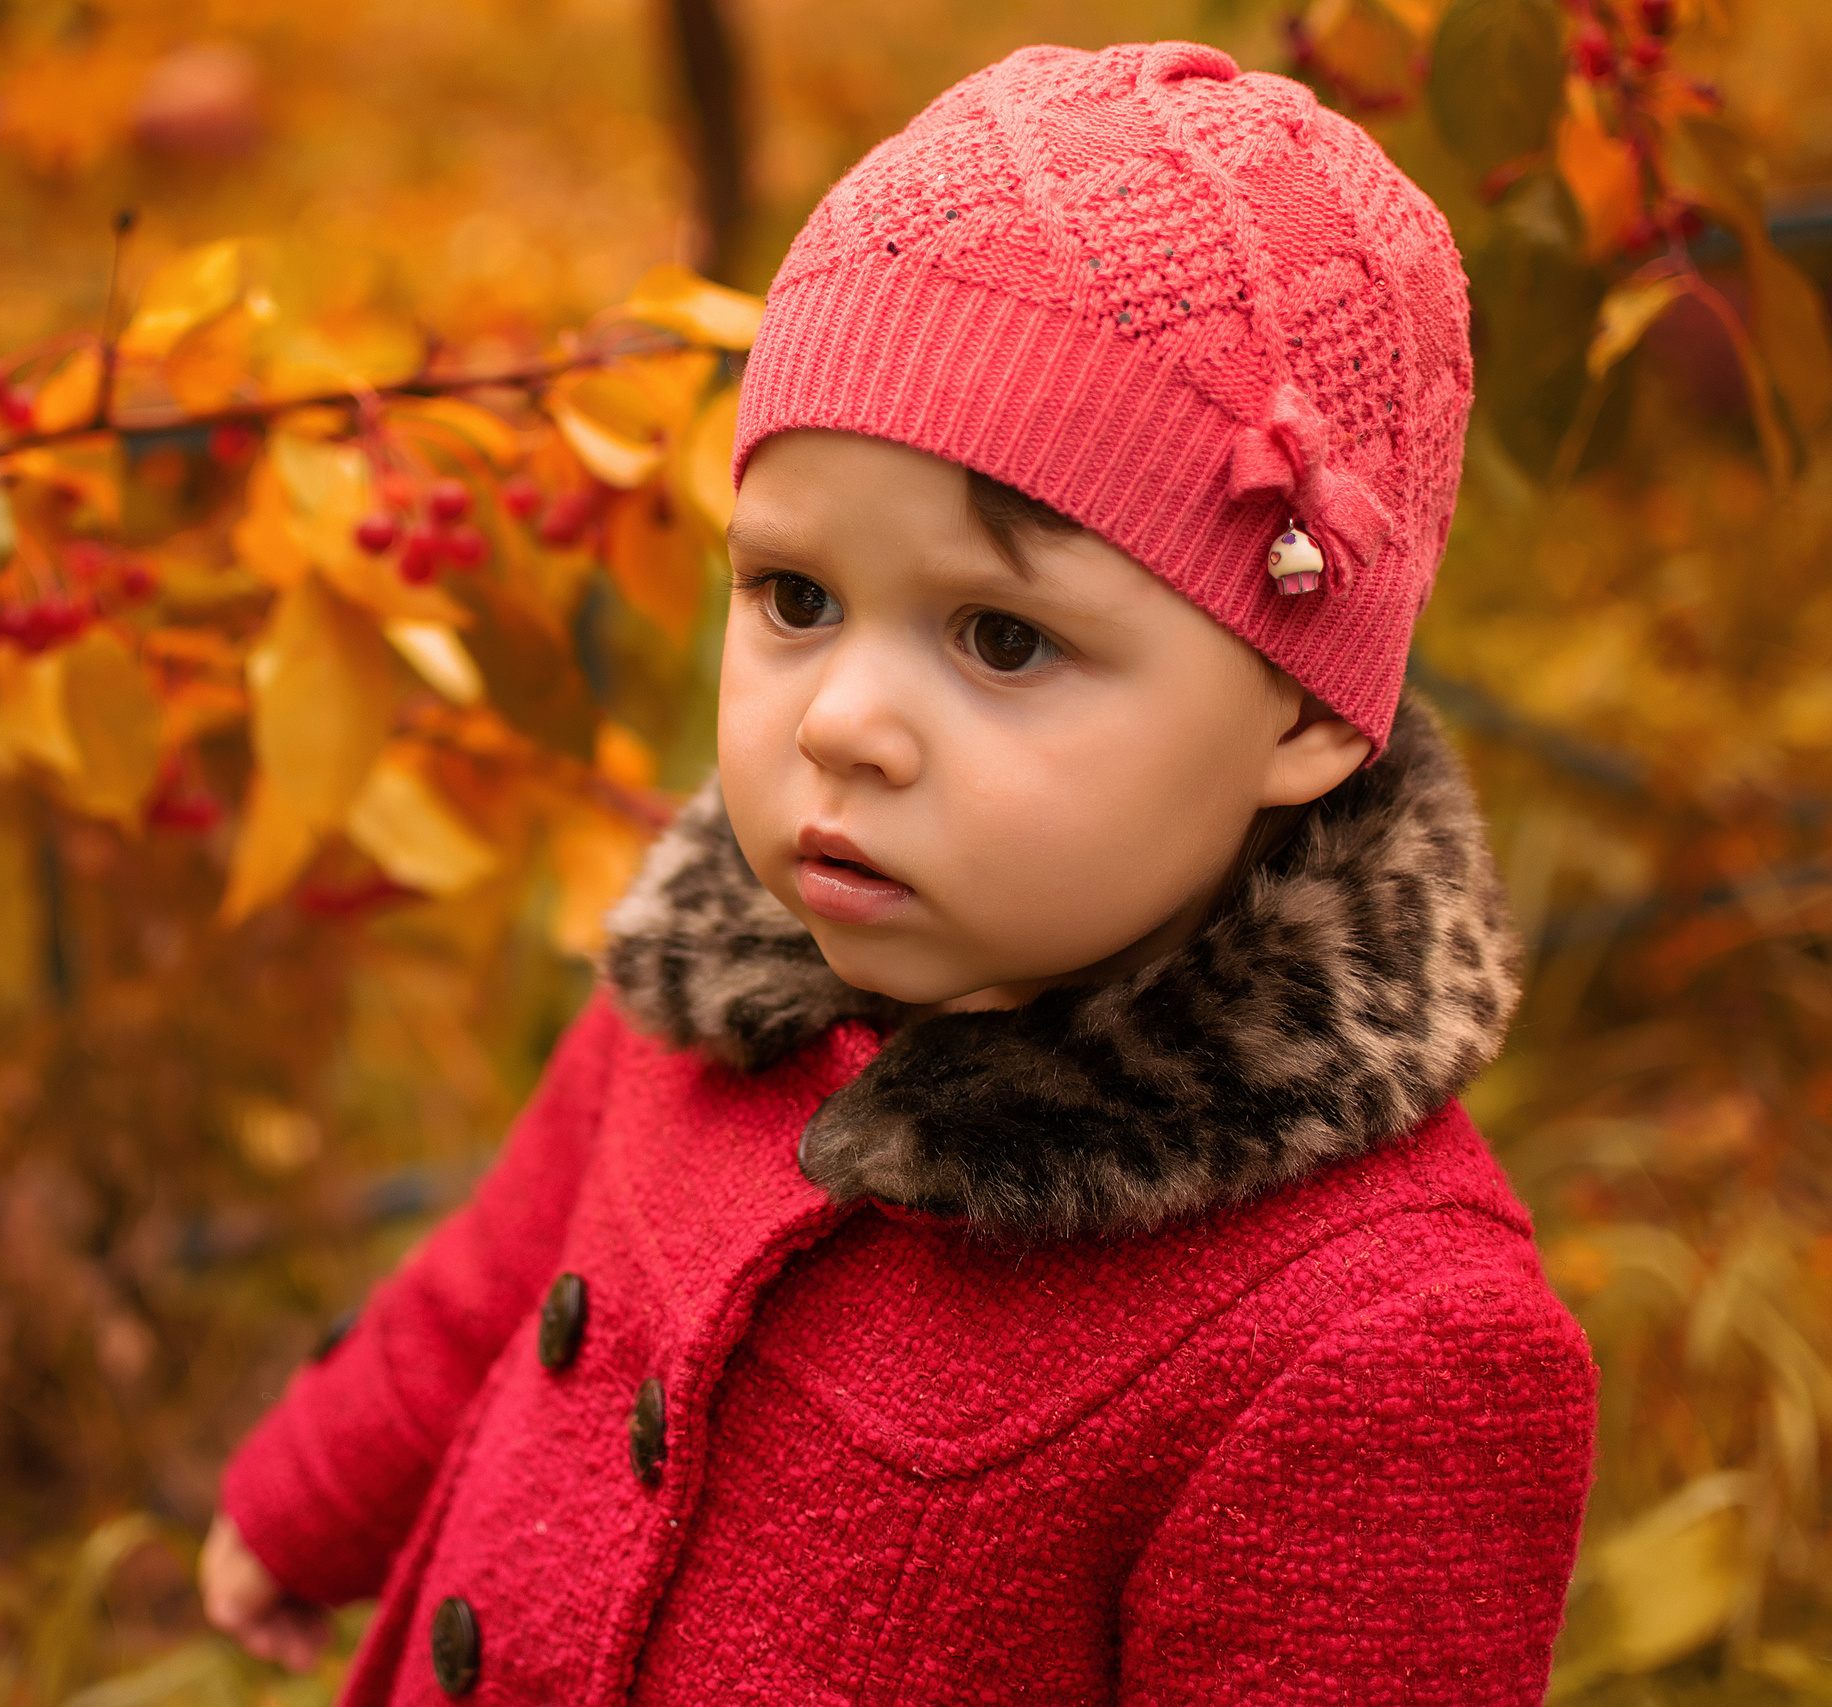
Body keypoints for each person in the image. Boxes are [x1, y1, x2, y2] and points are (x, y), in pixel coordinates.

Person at [201, 39, 1597, 1706]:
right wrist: (309, 1501)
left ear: (1300, 715)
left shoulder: (1372, 1345)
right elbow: (496, 1281)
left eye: (1003, 637)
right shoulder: (729, 982)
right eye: (793, 598)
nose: (846, 723)